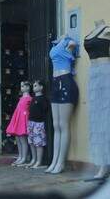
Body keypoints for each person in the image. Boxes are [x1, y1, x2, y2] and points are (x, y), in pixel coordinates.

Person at [45, 36, 79, 174]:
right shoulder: (55, 44)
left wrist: (65, 37)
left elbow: (73, 43)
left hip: (66, 82)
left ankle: (61, 163)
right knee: (56, 125)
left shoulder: (67, 41)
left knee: (63, 125)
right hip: (55, 82)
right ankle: (54, 161)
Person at [84, 22, 110, 180]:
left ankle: (103, 168)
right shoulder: (90, 33)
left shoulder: (107, 30)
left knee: (106, 120)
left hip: (106, 73)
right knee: (97, 121)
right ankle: (103, 165)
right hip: (94, 74)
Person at [6, 81, 32, 166]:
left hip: (23, 119)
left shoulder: (29, 98)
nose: (22, 88)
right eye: (21, 86)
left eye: (23, 86)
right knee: (18, 138)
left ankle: (24, 157)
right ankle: (20, 156)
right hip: (18, 119)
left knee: (23, 139)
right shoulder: (21, 98)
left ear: (28, 87)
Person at [26, 80, 49, 168]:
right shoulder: (33, 98)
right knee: (31, 142)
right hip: (31, 122)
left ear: (41, 87)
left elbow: (45, 110)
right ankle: (34, 159)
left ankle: (39, 161)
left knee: (38, 143)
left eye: (36, 85)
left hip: (39, 123)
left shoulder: (43, 99)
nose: (34, 87)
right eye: (33, 86)